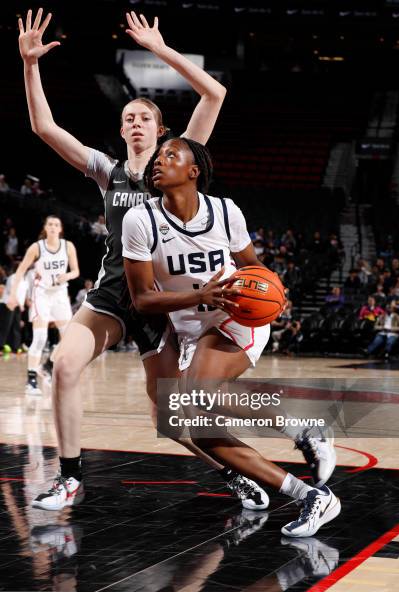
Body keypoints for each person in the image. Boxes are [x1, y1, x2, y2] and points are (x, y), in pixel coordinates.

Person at [19, 8, 270, 511]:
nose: (135, 122)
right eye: (128, 117)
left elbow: (214, 94)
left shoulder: (176, 168)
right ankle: (69, 477)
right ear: (122, 129)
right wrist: (30, 64)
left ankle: (235, 472)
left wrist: (160, 51)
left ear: (162, 130)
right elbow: (44, 127)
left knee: (172, 418)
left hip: (164, 303)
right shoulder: (106, 170)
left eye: (145, 117)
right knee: (65, 364)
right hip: (116, 295)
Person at [123, 137, 340, 537]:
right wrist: (197, 295)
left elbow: (253, 267)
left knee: (197, 397)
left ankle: (304, 428)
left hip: (235, 315)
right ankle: (308, 496)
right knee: (192, 423)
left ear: (194, 172)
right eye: (157, 156)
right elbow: (141, 299)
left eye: (171, 155)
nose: (159, 161)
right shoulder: (140, 220)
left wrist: (274, 291)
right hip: (192, 328)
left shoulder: (225, 212)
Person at [7, 215, 79, 395]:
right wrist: (14, 295)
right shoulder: (37, 247)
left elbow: (76, 271)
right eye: (50, 224)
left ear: (60, 228)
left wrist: (67, 276)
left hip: (60, 294)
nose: (53, 227)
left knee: (69, 338)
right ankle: (31, 380)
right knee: (40, 337)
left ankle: (48, 366)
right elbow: (20, 271)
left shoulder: (68, 246)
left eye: (56, 224)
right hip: (42, 295)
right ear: (45, 228)